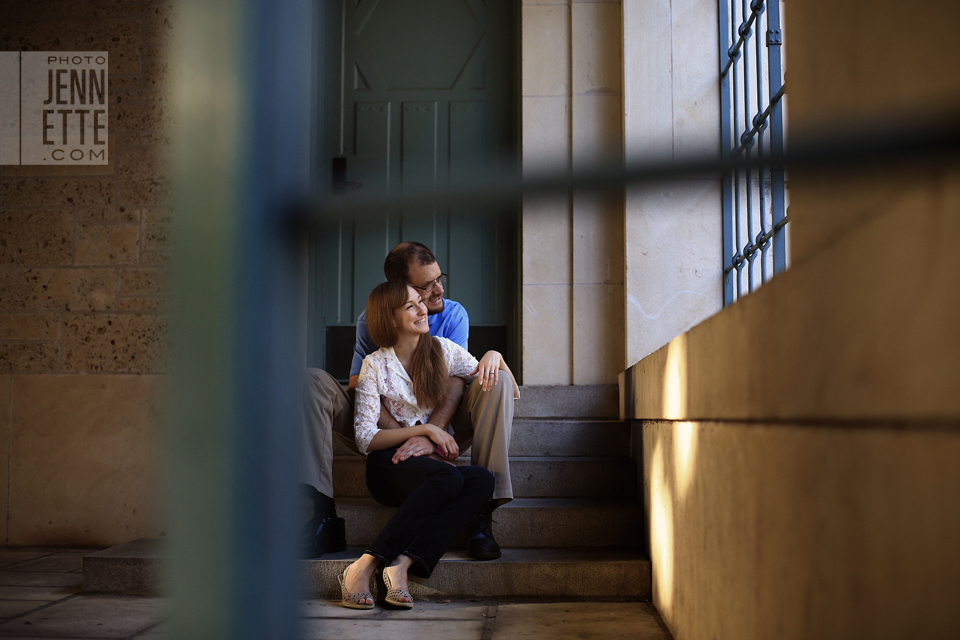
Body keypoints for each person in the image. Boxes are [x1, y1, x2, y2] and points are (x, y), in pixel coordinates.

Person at [300, 242, 517, 559]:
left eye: (439, 279)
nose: (437, 290)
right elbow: (360, 391)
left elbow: (460, 380)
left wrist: (435, 432)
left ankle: (480, 514)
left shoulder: (450, 323)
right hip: (384, 432)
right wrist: (417, 434)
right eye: (425, 287)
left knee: (498, 382)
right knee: (311, 382)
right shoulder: (374, 331)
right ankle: (323, 515)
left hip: (445, 422)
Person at [339, 281, 517, 609]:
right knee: (449, 478)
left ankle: (402, 563)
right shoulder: (374, 364)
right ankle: (364, 564)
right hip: (387, 468)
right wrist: (427, 433)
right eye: (411, 305)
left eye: (421, 302)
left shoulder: (443, 350)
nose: (423, 309)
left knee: (481, 479)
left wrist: (494, 355)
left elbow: (503, 385)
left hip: (431, 471)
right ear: (389, 319)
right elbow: (365, 437)